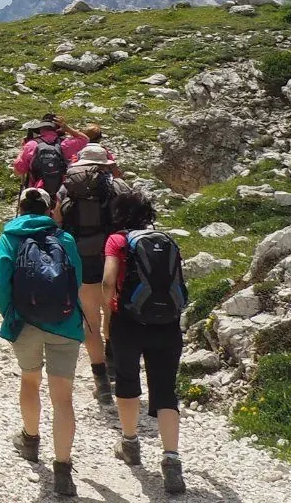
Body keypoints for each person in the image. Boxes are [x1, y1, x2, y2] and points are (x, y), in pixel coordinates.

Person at [0, 186, 85, 497]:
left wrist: (11, 314)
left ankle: (30, 441)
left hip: (25, 322)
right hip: (65, 325)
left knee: (30, 381)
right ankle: (63, 471)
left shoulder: (9, 237)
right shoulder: (66, 239)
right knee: (63, 398)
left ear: (19, 208)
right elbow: (77, 281)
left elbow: (0, 283)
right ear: (50, 208)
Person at [102, 183, 189, 495]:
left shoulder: (118, 240)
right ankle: (171, 460)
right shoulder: (167, 240)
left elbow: (109, 280)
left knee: (127, 380)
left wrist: (106, 317)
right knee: (166, 390)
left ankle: (130, 442)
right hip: (167, 323)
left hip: (128, 321)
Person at [56, 139, 122, 404]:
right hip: (113, 259)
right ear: (105, 164)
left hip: (82, 262)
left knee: (90, 320)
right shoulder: (117, 186)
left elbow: (57, 222)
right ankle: (114, 359)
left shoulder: (66, 188)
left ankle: (101, 381)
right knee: (114, 310)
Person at [13, 113, 88, 196]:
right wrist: (68, 128)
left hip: (37, 192)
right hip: (60, 192)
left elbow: (18, 170)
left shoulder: (31, 144)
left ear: (40, 128)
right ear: (58, 129)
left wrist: (23, 148)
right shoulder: (64, 143)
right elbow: (85, 139)